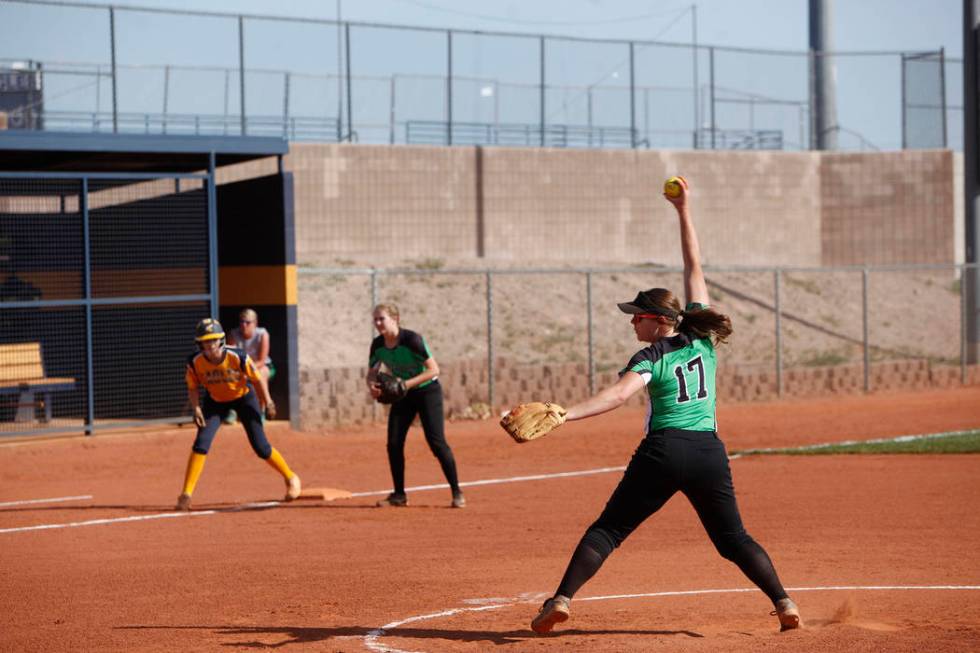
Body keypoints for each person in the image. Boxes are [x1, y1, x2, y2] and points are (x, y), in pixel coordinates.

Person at [528, 176, 801, 635]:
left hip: (663, 451)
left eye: (637, 316)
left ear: (657, 321)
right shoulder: (703, 338)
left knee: (609, 530)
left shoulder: (649, 355)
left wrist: (564, 413)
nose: (632, 322)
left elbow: (617, 396)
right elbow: (695, 265)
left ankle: (561, 599)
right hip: (708, 453)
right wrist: (683, 210)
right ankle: (784, 602)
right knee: (733, 539)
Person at [175, 318, 301, 511]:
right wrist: (196, 408)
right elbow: (192, 386)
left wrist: (268, 401)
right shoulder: (195, 362)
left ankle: (291, 477)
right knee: (201, 443)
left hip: (244, 397)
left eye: (212, 341)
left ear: (221, 341)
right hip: (215, 401)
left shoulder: (238, 357)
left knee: (261, 447)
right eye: (204, 342)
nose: (208, 347)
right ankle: (186, 494)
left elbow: (257, 380)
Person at [366, 303, 465, 509]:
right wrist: (372, 387)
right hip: (403, 395)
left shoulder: (412, 340)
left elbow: (433, 370)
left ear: (395, 319)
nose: (377, 323)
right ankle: (399, 495)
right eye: (375, 319)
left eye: (381, 318)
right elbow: (372, 372)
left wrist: (404, 384)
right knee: (393, 443)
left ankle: (457, 492)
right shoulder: (378, 345)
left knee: (436, 442)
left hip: (427, 391)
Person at [225, 308, 275, 424]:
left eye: (248, 322)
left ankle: (263, 409)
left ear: (255, 323)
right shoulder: (233, 334)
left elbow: (262, 361)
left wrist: (247, 371)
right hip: (240, 368)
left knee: (260, 374)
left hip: (263, 366)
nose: (244, 325)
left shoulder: (262, 334)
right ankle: (232, 411)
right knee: (230, 375)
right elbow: (231, 358)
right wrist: (241, 372)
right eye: (242, 322)